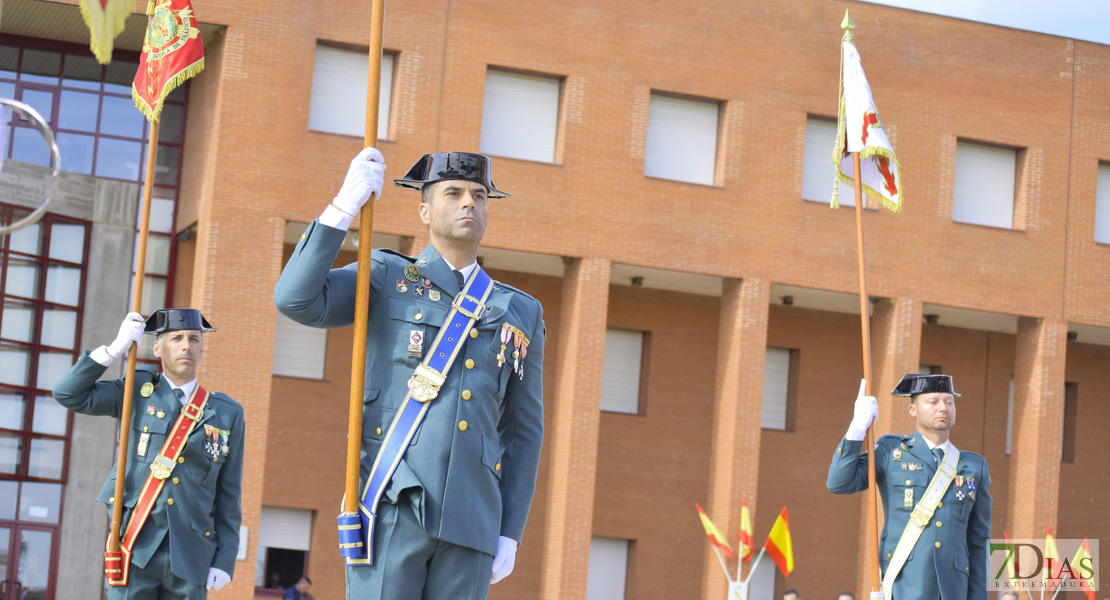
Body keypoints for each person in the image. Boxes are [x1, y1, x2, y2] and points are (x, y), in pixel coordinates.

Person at [274, 149, 545, 600]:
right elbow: (296, 300)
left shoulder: (520, 310)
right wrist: (342, 208)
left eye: (479, 196)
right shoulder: (386, 276)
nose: (468, 204)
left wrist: (510, 529)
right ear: (424, 210)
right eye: (453, 193)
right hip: (392, 503)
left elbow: (522, 431)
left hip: (473, 515)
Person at [53, 309, 244, 599]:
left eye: (194, 339)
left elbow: (229, 494)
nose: (185, 345)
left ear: (202, 348)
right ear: (157, 347)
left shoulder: (226, 413)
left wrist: (225, 558)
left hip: (192, 558)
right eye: (176, 338)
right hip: (135, 549)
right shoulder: (136, 390)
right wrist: (114, 350)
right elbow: (68, 393)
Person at [827, 374, 992, 600]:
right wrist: (857, 427)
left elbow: (979, 543)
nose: (943, 408)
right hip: (904, 586)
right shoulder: (891, 451)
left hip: (954, 591)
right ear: (912, 410)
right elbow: (839, 483)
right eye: (933, 402)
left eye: (949, 402)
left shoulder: (973, 466)